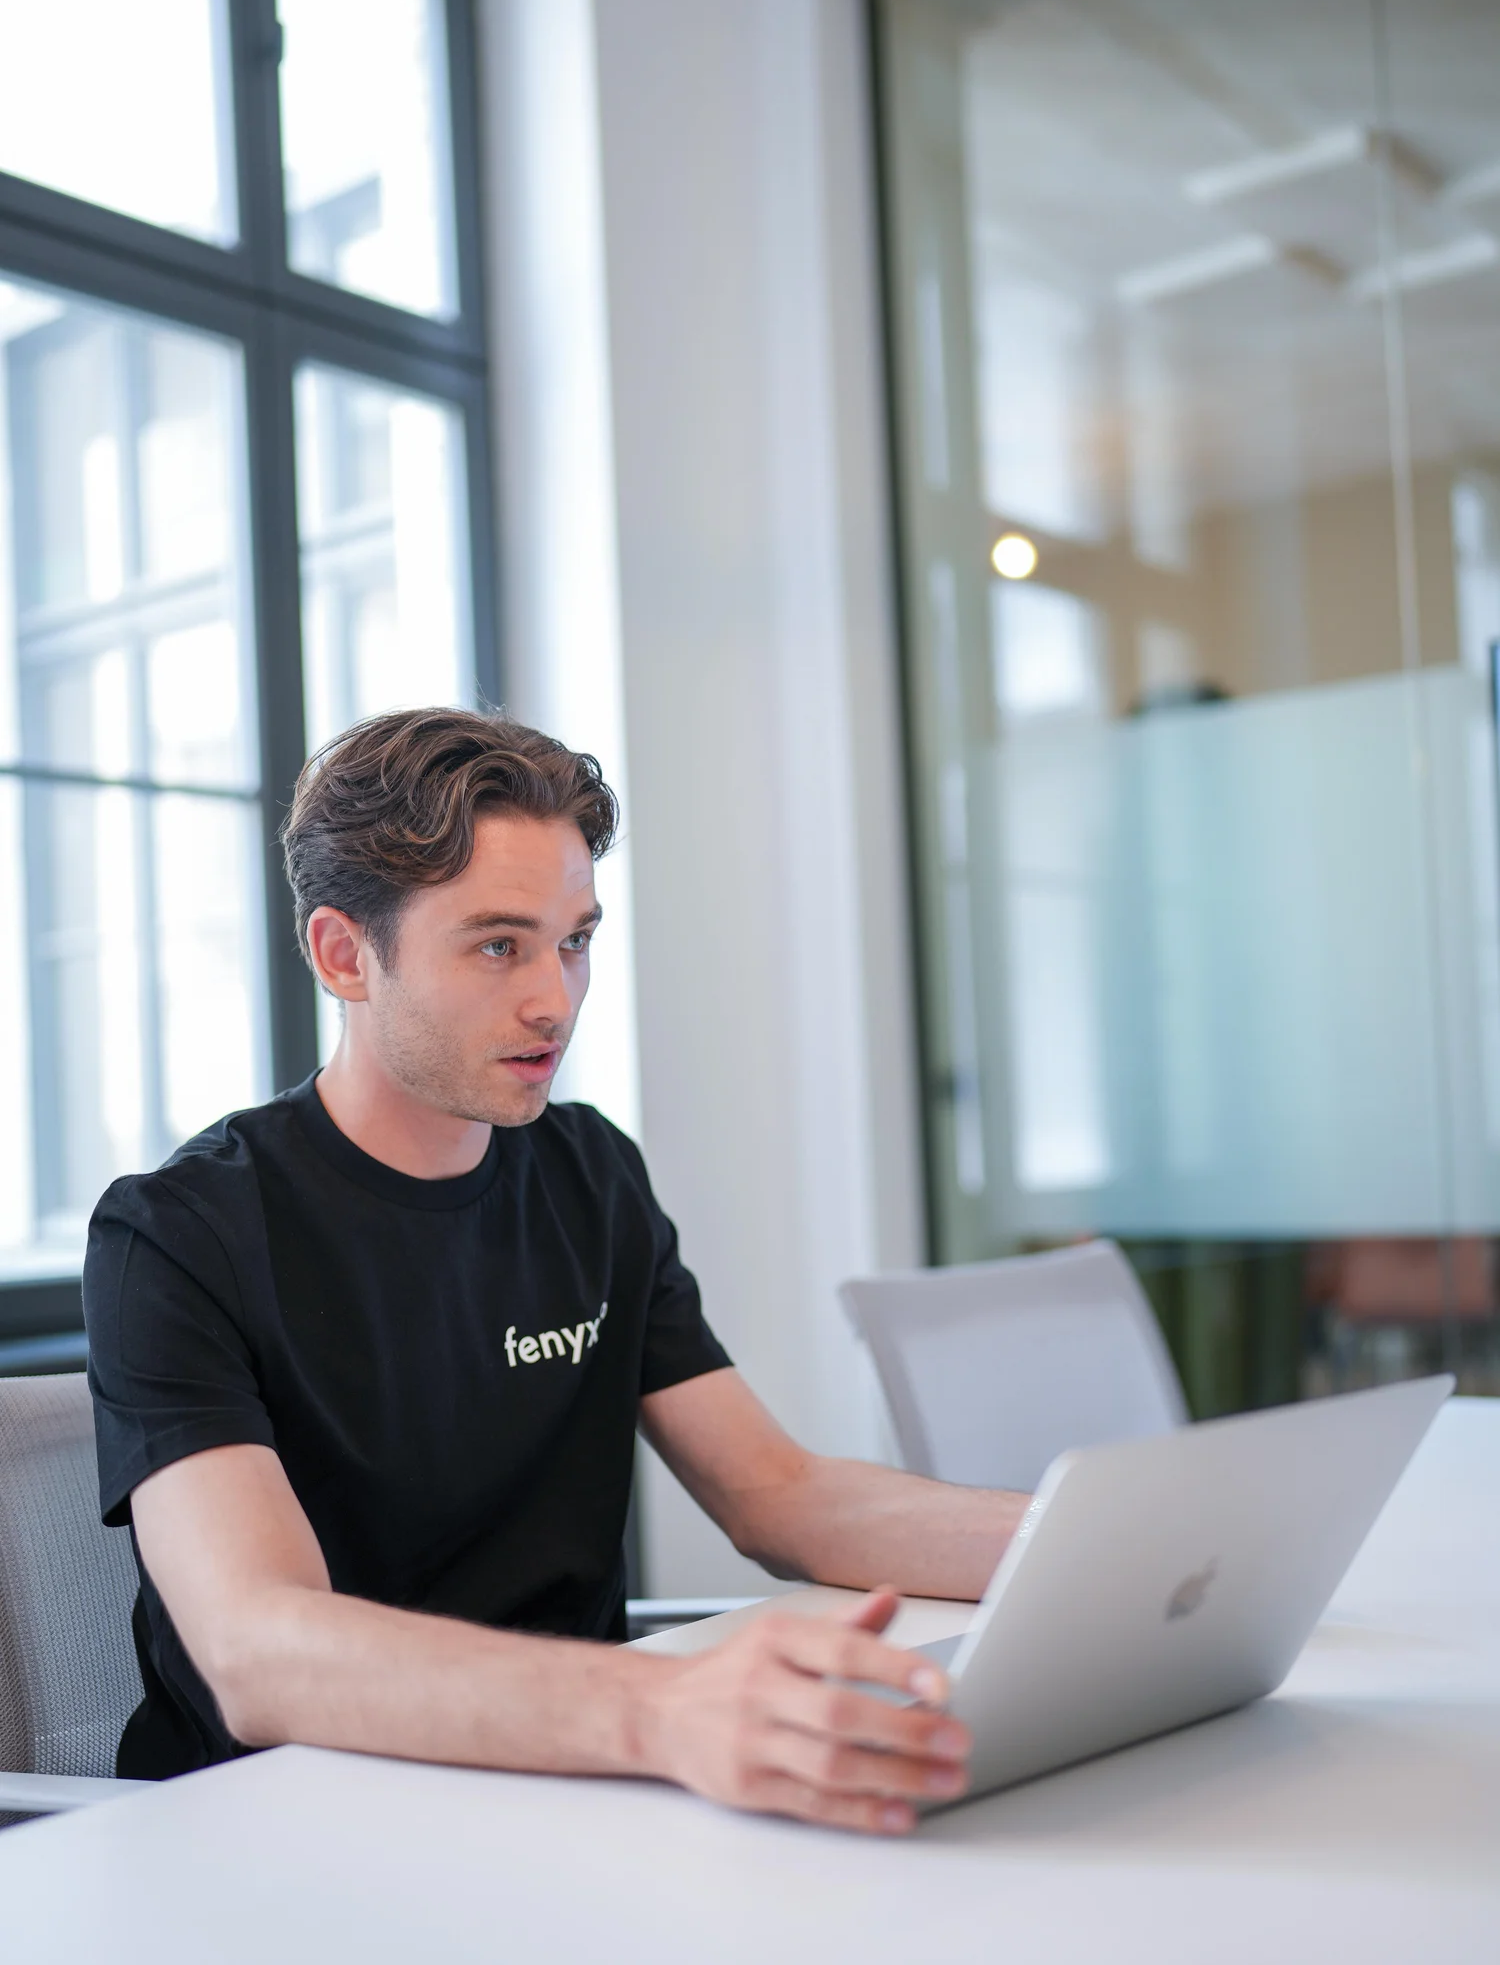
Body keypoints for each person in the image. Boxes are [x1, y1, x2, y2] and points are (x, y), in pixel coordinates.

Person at [86, 709, 1026, 1835]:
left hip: (570, 1789)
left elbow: (778, 1495)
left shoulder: (591, 1174)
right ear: (344, 954)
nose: (556, 999)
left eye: (573, 938)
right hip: (285, 1832)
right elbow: (261, 1652)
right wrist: (662, 1707)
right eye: (498, 945)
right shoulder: (179, 1234)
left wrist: (1084, 1548)